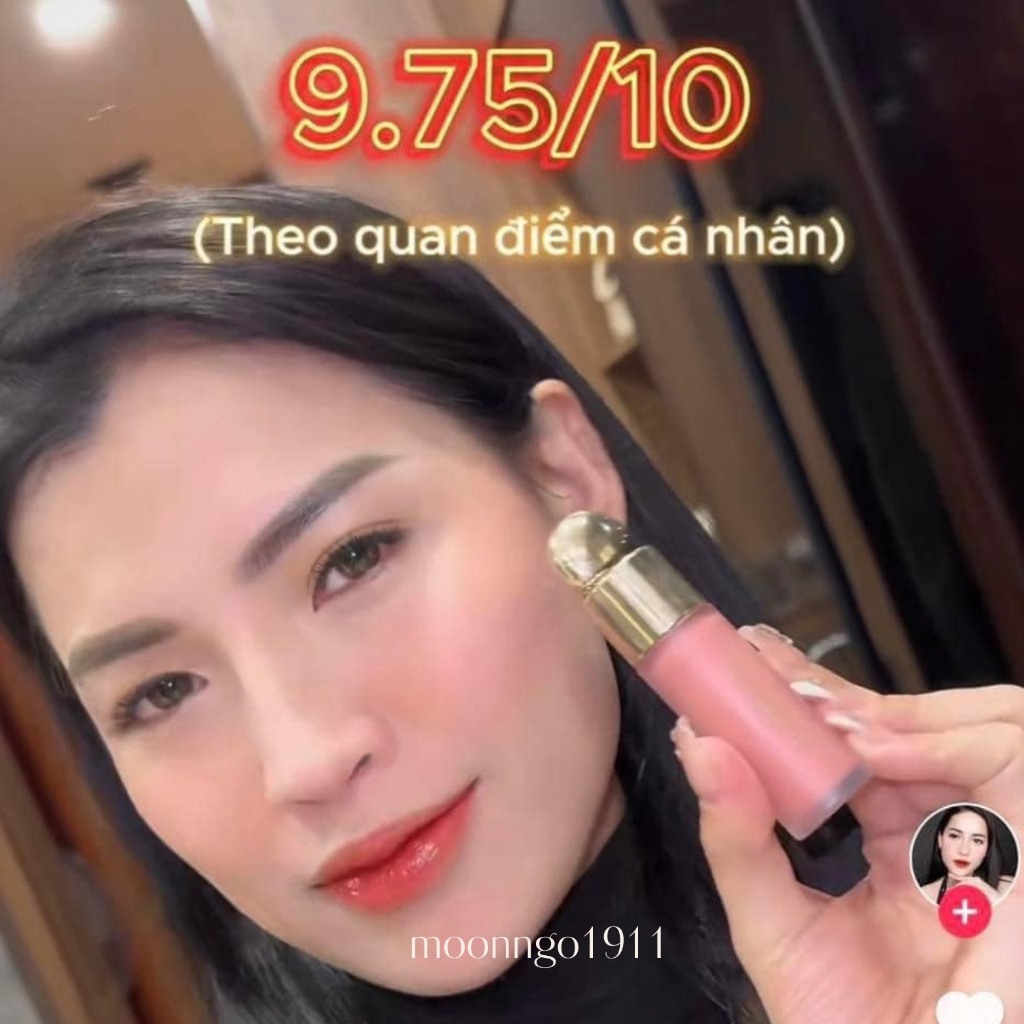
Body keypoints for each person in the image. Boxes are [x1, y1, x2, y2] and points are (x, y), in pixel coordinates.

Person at [0, 184, 1021, 1024]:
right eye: (161, 690)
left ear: (564, 478)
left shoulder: (969, 931)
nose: (304, 760)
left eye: (351, 559)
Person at [917, 805, 1014, 905]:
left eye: (977, 841)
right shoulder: (924, 894)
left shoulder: (1010, 891)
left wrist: (994, 899)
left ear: (987, 849)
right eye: (954, 836)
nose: (964, 851)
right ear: (940, 840)